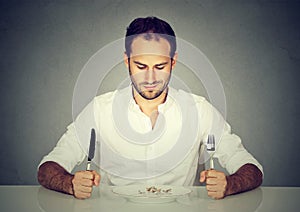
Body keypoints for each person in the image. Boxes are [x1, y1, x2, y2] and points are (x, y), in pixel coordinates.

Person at [37, 16, 263, 200]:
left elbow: (251, 167)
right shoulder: (100, 109)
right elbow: (47, 168)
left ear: (173, 62)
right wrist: (70, 184)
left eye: (161, 66)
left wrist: (229, 185)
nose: (151, 77)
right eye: (141, 66)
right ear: (127, 61)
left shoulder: (199, 109)